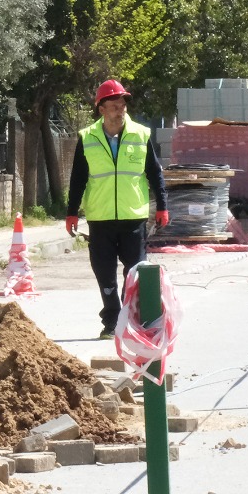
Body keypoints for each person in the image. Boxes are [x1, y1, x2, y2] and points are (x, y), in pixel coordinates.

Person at [64, 79, 170, 337]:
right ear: (101, 108)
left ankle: (128, 319)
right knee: (105, 274)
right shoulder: (87, 138)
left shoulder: (140, 134)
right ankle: (111, 322)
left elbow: (155, 173)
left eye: (122, 104)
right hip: (100, 218)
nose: (120, 109)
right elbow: (78, 178)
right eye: (114, 105)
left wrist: (162, 206)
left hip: (133, 216)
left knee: (134, 273)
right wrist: (71, 212)